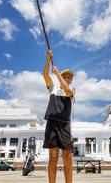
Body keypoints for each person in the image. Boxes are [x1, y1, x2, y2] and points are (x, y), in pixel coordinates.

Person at [42, 50, 75, 183]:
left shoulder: (72, 90)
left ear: (71, 80)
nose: (67, 77)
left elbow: (67, 90)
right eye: (65, 76)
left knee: (67, 156)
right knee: (53, 156)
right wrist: (48, 59)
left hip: (64, 124)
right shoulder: (53, 87)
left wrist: (57, 74)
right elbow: (45, 74)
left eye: (69, 77)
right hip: (52, 122)